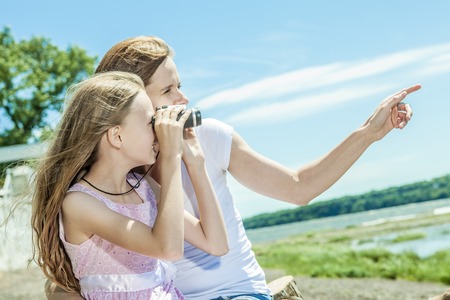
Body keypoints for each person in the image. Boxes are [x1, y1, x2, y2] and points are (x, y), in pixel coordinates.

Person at [47, 36, 421, 300]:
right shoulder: (118, 176)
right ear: (128, 103)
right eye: (168, 91)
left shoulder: (207, 136)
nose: (184, 99)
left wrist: (368, 133)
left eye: (181, 86)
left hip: (235, 292)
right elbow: (73, 274)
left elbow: (298, 187)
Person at [32, 71, 229, 299]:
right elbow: (168, 248)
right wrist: (170, 157)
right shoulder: (79, 203)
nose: (158, 131)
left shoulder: (142, 187)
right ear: (117, 136)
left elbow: (216, 244)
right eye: (150, 122)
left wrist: (196, 163)